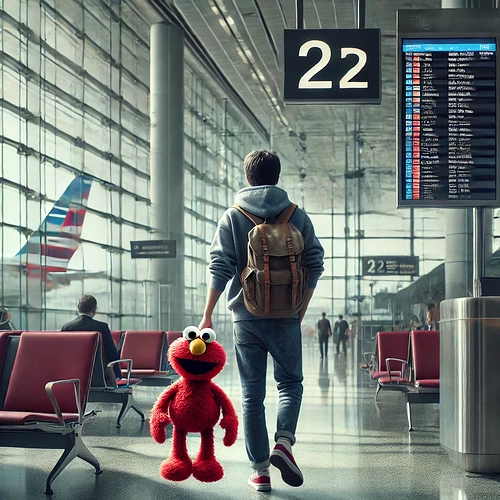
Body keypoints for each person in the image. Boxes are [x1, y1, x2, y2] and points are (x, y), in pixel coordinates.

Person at [198, 149, 324, 492]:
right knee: (290, 384)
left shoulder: (233, 215)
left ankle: (260, 471)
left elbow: (220, 266)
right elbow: (315, 261)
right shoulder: (296, 215)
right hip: (287, 317)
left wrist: (208, 313)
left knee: (253, 396)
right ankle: (283, 442)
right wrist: (300, 307)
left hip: (246, 318)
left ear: (247, 177)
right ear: (277, 177)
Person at [61, 295, 121, 380]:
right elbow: (111, 353)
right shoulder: (102, 327)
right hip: (98, 375)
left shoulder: (67, 327)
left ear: (78, 308)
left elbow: (63, 353)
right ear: (94, 309)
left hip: (72, 375)